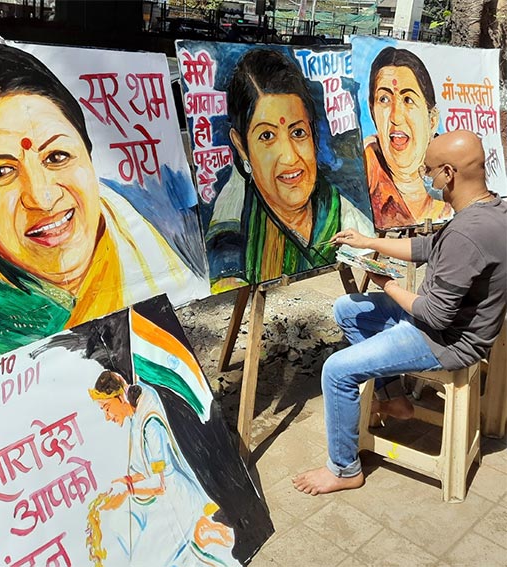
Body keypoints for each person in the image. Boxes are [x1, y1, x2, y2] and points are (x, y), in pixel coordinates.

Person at [0, 41, 204, 386]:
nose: (43, 198)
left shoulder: (155, 236)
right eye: (0, 172)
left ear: (89, 154)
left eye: (57, 156)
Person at [293, 130, 507, 495]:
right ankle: (395, 400)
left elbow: (434, 314)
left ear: (448, 174)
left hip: (446, 341)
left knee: (337, 371)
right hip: (446, 325)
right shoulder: (491, 208)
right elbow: (429, 246)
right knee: (348, 309)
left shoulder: (468, 234)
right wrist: (370, 242)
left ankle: (344, 470)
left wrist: (384, 283)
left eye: (429, 171)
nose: (426, 177)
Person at [210, 48, 372, 285]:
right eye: (266, 136)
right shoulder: (234, 217)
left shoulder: (343, 214)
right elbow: (224, 271)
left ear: (313, 134)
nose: (289, 157)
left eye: (298, 132)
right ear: (241, 146)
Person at [88, 370, 236, 565]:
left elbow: (162, 480)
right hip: (169, 504)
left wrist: (127, 490)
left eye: (107, 408)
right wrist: (126, 481)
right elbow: (146, 471)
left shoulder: (150, 422)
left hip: (183, 502)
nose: (108, 416)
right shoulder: (135, 418)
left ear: (120, 397)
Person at [364, 47, 452, 230]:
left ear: (432, 119)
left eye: (408, 100)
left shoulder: (453, 184)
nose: (396, 116)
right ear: (373, 113)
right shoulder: (358, 181)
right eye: (384, 99)